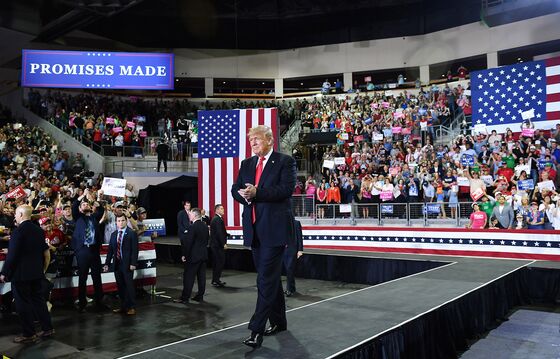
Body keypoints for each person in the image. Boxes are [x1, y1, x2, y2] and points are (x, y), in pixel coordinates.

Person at [231, 125, 296, 348]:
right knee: (270, 279)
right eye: (250, 140)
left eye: (256, 139)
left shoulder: (285, 161)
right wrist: (245, 197)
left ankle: (256, 330)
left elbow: (286, 190)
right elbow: (235, 189)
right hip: (254, 230)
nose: (253, 143)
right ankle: (280, 322)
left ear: (269, 140)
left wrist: (257, 193)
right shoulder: (247, 164)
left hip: (275, 231)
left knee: (264, 280)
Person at [0, 205, 54, 343]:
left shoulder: (18, 232)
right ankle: (48, 328)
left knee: (22, 303)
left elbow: (13, 255)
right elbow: (43, 252)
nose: (15, 216)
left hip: (21, 274)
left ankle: (29, 333)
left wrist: (4, 273)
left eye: (17, 214)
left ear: (22, 214)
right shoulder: (38, 231)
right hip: (36, 272)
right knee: (39, 301)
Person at [71, 188, 107, 313]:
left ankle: (99, 301)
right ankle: (82, 303)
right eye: (83, 204)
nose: (86, 205)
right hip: (82, 251)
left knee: (97, 277)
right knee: (83, 277)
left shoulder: (94, 217)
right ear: (81, 208)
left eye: (87, 204)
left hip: (94, 251)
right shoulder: (78, 217)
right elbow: (74, 205)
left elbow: (101, 209)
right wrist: (82, 196)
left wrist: (97, 198)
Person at [103, 214, 139, 315]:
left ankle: (132, 307)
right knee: (120, 286)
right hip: (117, 264)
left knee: (129, 286)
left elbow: (135, 250)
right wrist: (106, 263)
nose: (120, 223)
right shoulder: (114, 234)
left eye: (122, 220)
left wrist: (133, 263)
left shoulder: (131, 233)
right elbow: (110, 251)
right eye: (118, 221)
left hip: (127, 264)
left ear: (126, 221)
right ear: (116, 222)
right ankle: (123, 306)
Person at [174, 208, 208, 304]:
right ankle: (200, 296)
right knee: (201, 277)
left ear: (195, 215)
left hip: (193, 256)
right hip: (203, 255)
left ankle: (185, 297)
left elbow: (188, 243)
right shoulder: (205, 226)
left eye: (190, 214)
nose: (189, 216)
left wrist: (184, 254)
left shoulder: (192, 227)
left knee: (189, 277)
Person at [283, 218, 303, 297]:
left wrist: (300, 250)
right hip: (284, 250)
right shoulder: (282, 223)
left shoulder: (296, 223)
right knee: (288, 270)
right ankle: (292, 288)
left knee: (289, 269)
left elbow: (299, 237)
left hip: (293, 249)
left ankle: (289, 289)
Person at [210, 204, 228, 287]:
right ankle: (215, 280)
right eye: (221, 208)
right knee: (219, 263)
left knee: (218, 263)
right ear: (217, 210)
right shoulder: (217, 219)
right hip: (217, 246)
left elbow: (221, 231)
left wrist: (227, 234)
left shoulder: (218, 219)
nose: (223, 210)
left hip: (216, 245)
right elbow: (219, 233)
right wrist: (223, 243)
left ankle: (216, 280)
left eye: (223, 208)